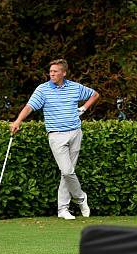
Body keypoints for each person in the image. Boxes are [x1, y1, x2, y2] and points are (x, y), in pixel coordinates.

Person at [9, 59, 99, 220]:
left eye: (55, 71)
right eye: (50, 71)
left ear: (64, 73)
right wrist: (18, 121)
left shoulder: (74, 87)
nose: (52, 74)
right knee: (67, 171)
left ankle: (63, 209)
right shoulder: (43, 90)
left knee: (67, 173)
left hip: (75, 133)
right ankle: (81, 198)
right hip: (56, 135)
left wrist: (83, 108)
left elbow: (95, 94)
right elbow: (29, 106)